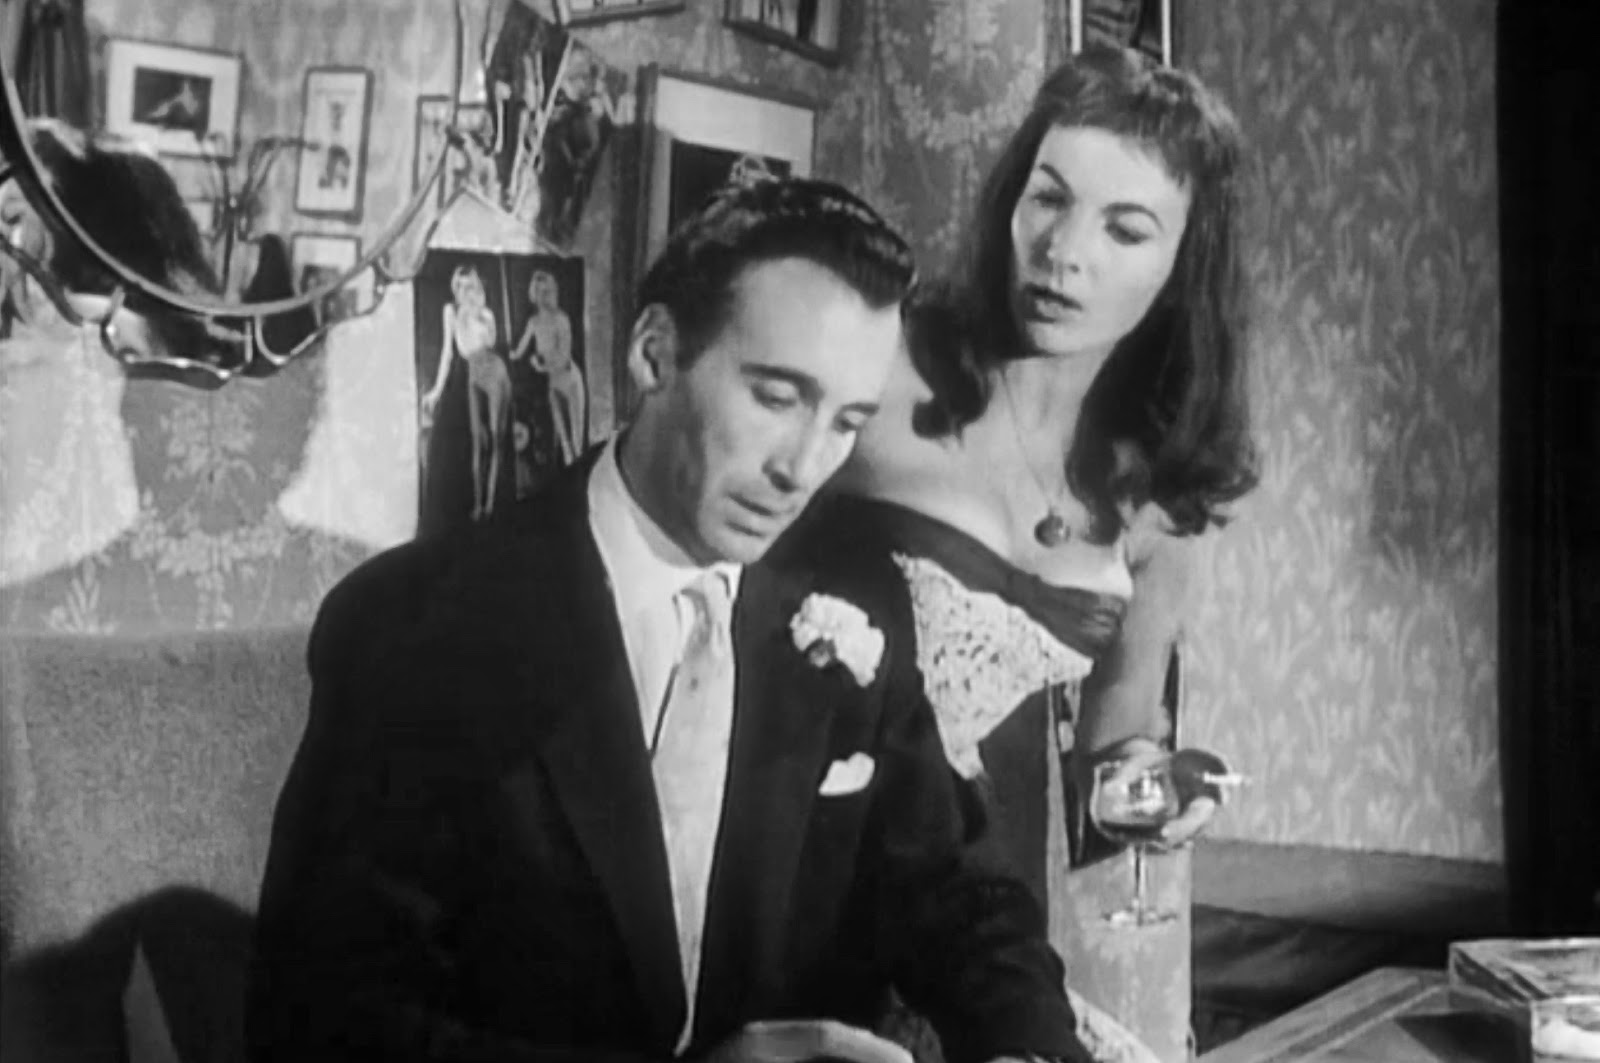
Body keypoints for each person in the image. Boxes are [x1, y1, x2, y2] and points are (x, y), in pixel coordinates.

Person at [247, 175, 1094, 1063]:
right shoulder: (420, 627)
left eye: (846, 420)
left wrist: (1028, 1048)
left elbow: (959, 894)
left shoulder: (853, 594)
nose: (804, 467)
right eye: (776, 397)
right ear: (654, 355)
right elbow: (325, 1023)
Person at [824, 46, 1258, 1062]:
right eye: (1048, 198)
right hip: (790, 873)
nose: (1063, 251)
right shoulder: (882, 371)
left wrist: (1165, 787)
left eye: (1124, 228)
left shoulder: (1156, 503)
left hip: (963, 909)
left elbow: (1113, 754)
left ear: (1184, 265)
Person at [420, 265, 513, 522]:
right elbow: (448, 353)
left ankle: (491, 505)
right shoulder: (450, 312)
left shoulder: (486, 314)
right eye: (459, 286)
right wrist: (436, 391)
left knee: (495, 440)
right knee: (477, 442)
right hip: (473, 375)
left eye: (468, 286)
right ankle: (478, 504)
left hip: (494, 372)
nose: (463, 291)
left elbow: (490, 343)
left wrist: (478, 315)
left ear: (476, 287)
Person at [511, 269, 585, 464]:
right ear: (533, 294)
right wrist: (513, 355)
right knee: (565, 445)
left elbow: (564, 356)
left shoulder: (561, 319)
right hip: (554, 384)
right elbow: (520, 349)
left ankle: (580, 476)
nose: (543, 297)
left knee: (577, 442)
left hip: (570, 380)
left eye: (547, 292)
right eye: (539, 292)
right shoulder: (533, 322)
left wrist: (541, 366)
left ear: (553, 292)